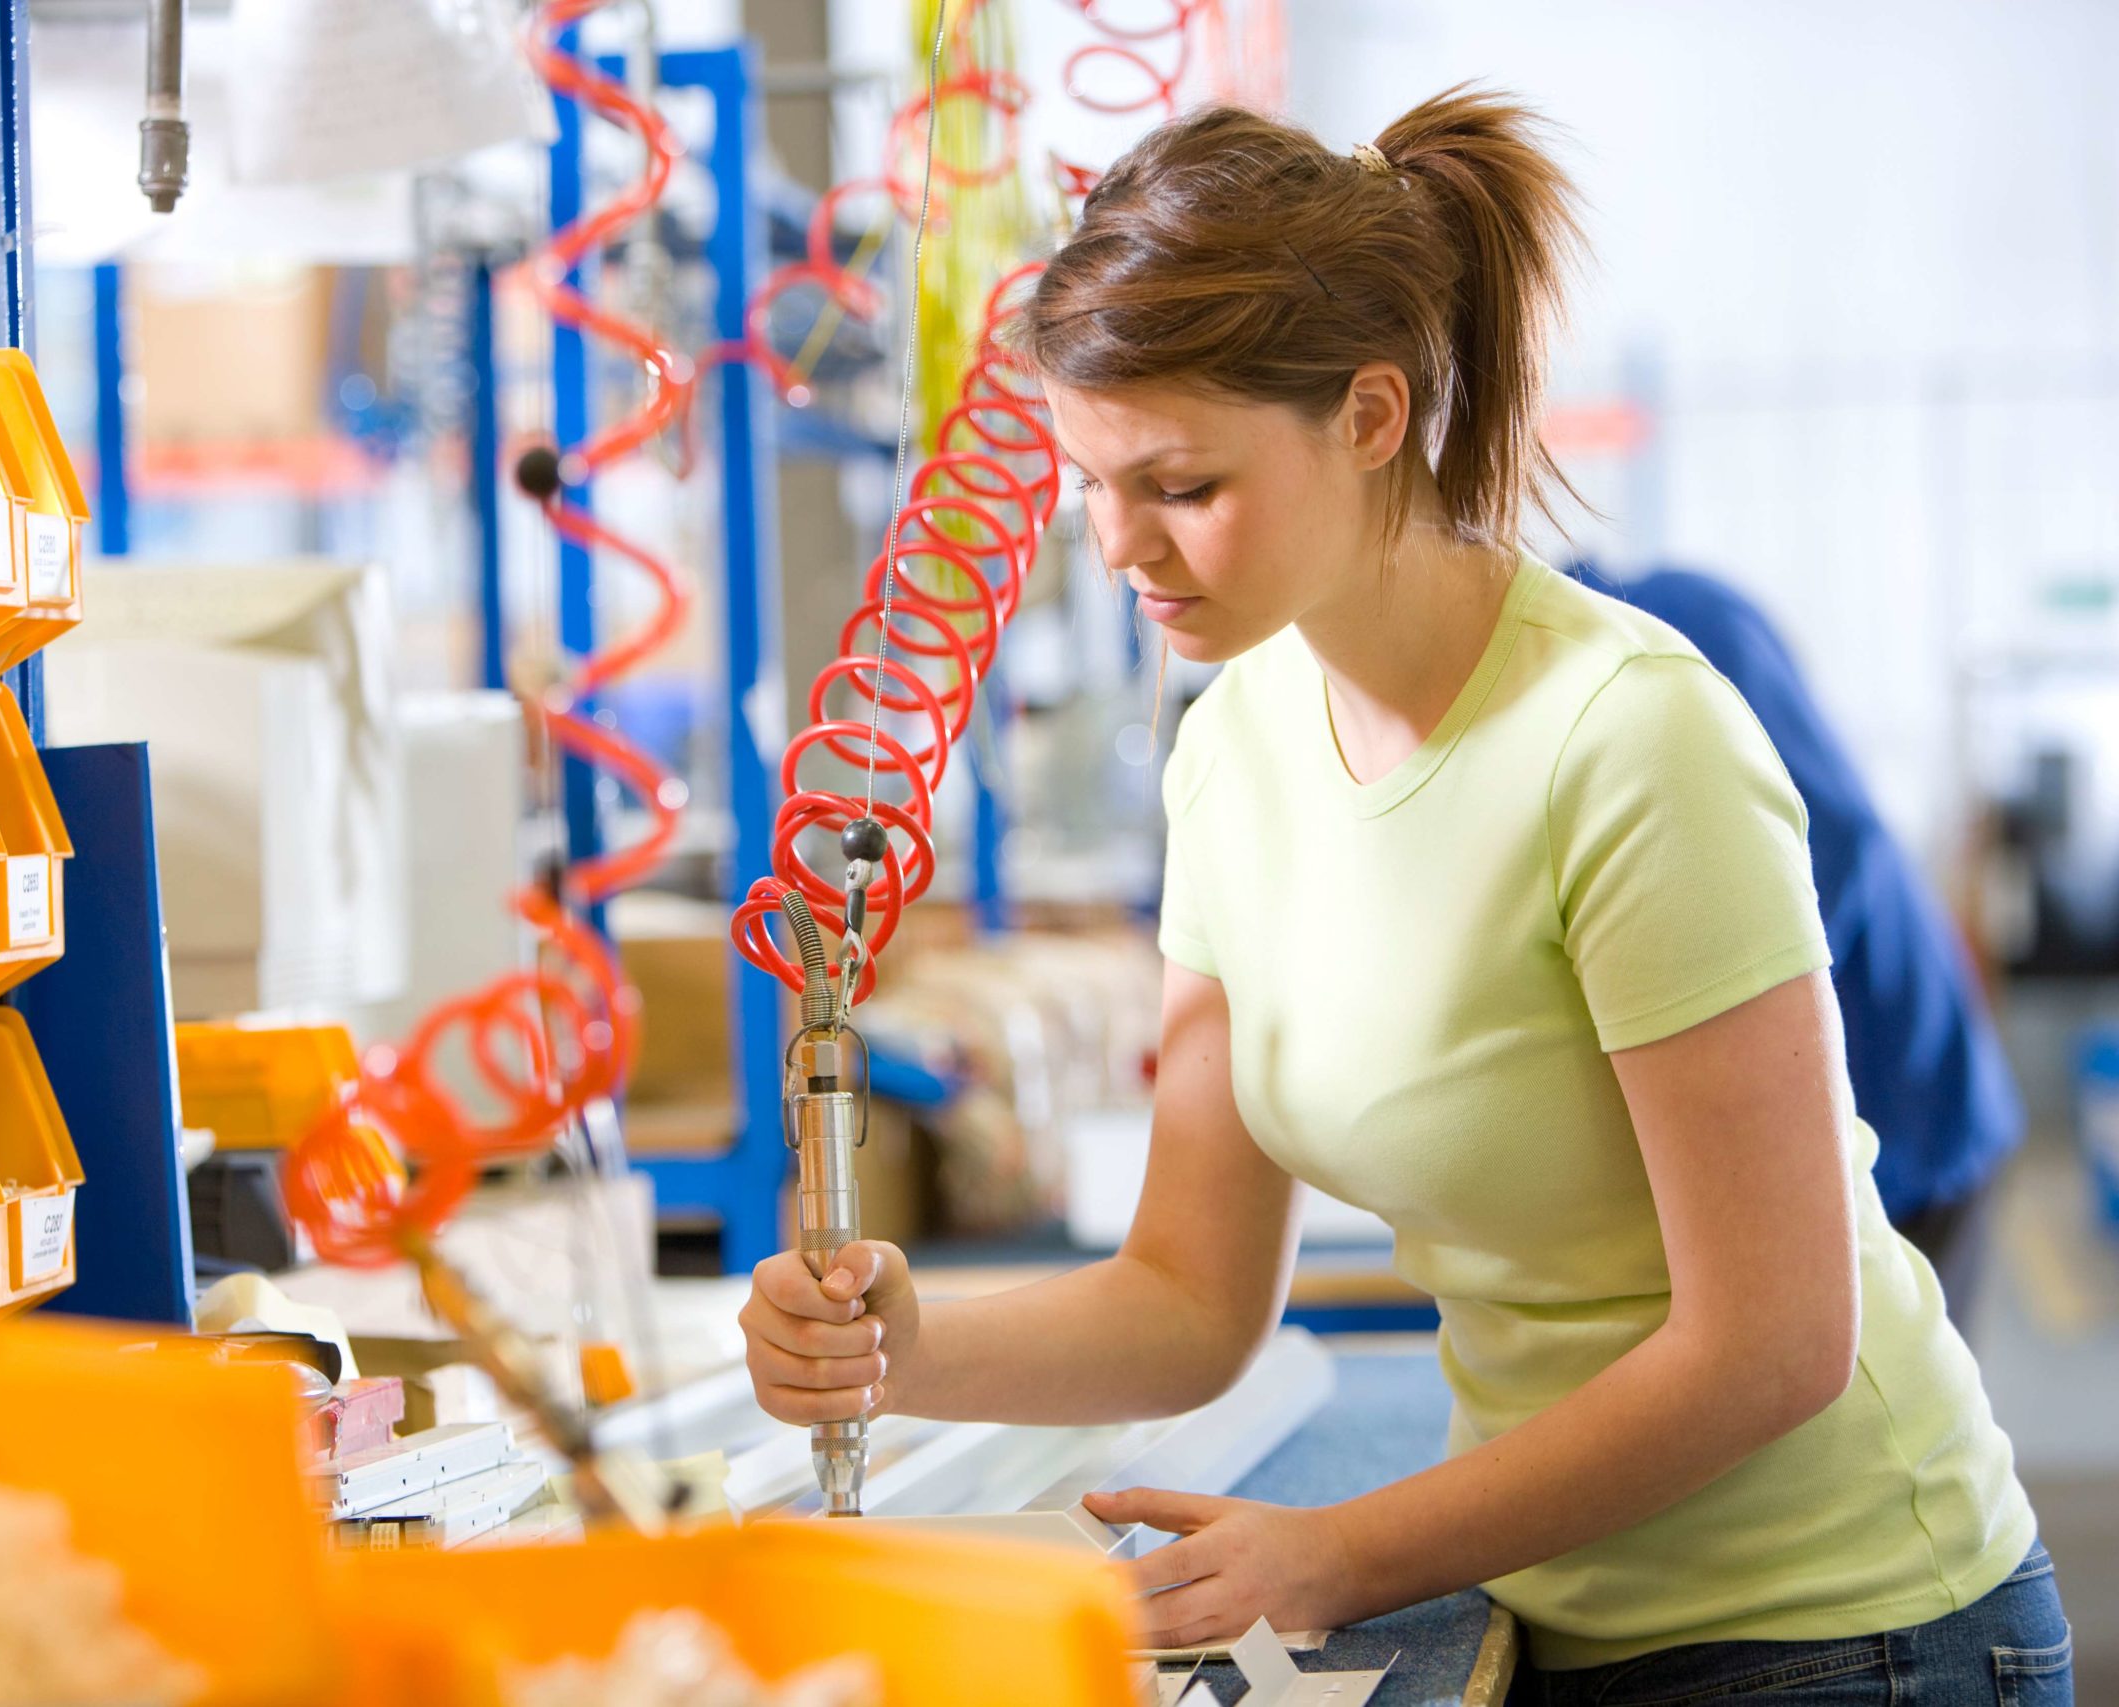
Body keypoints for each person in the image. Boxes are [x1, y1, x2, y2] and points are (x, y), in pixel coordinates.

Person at [737, 92, 2071, 1701]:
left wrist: (1343, 1548)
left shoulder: (1629, 737)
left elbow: (1779, 1342)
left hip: (1849, 1628)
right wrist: (911, 1344)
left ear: (1372, 416)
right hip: (1555, 1612)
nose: (1122, 547)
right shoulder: (1231, 751)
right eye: (1092, 485)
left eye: (1180, 483)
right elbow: (1188, 1293)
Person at [1574, 563, 2026, 1322]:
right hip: (1840, 1113)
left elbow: (1828, 853)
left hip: (1905, 1105)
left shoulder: (1674, 630)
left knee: (1889, 1411)